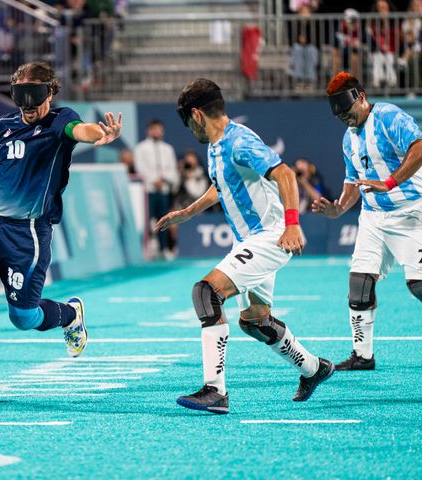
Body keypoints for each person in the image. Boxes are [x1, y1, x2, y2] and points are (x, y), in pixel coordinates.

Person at [0, 61, 122, 402]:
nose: (28, 104)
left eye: (35, 95)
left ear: (50, 91)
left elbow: (82, 131)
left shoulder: (60, 121)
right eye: (21, 95)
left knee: (22, 317)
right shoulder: (6, 123)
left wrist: (101, 135)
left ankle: (70, 314)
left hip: (28, 233)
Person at [155, 79, 333, 414]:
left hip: (270, 236)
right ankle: (313, 368)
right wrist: (188, 213)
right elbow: (221, 185)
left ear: (196, 113)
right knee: (255, 321)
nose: (188, 128)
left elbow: (286, 175)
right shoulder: (216, 145)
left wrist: (293, 223)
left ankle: (215, 391)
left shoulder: (239, 141)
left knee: (206, 292)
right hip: (251, 239)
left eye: (187, 121)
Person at [312, 72, 422, 370]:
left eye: (348, 113)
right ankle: (362, 356)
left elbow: (419, 148)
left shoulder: (388, 116)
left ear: (360, 96)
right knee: (359, 284)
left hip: (411, 212)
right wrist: (337, 209)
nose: (346, 120)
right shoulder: (349, 139)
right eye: (340, 117)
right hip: (373, 218)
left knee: (418, 285)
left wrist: (388, 183)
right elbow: (353, 182)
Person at [134, 119, 179, 259]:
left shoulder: (168, 149)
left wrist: (164, 179)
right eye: (154, 129)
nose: (156, 131)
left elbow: (173, 169)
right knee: (146, 221)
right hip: (148, 191)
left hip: (164, 190)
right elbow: (140, 167)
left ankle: (164, 249)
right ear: (148, 130)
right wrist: (154, 179)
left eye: (159, 129)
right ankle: (145, 250)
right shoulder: (141, 148)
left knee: (163, 221)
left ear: (162, 131)